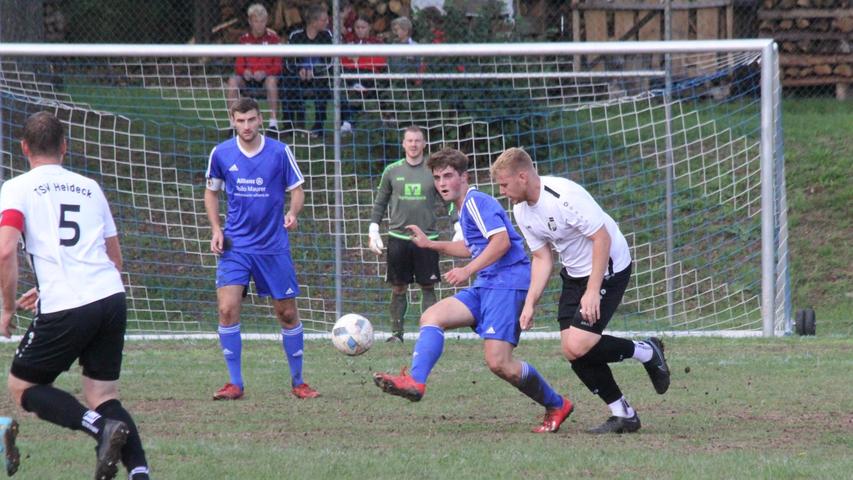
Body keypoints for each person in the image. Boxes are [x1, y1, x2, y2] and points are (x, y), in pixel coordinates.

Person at [373, 148, 574, 434]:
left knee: (499, 363)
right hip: (486, 283)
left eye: (448, 176)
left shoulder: (477, 201)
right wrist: (432, 245)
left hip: (507, 283)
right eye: (437, 177)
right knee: (432, 316)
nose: (442, 183)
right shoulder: (463, 207)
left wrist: (467, 270)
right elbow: (473, 246)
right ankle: (415, 382)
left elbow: (501, 242)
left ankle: (557, 404)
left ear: (463, 177)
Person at [0, 111, 150, 479]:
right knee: (103, 395)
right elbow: (113, 258)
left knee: (23, 387)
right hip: (110, 296)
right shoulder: (90, 187)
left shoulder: (17, 187)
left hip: (69, 302)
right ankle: (140, 474)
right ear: (65, 147)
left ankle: (100, 430)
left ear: (24, 148)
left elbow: (5, 251)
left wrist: (5, 308)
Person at [490, 147, 671, 434]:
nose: (502, 192)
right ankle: (623, 414)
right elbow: (542, 258)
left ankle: (646, 352)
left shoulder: (563, 197)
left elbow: (602, 238)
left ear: (522, 176)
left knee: (578, 344)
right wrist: (530, 302)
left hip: (608, 265)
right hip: (574, 273)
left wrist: (593, 289)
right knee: (573, 351)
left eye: (504, 184)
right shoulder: (521, 210)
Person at [204, 97, 319, 400]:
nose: (246, 126)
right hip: (236, 245)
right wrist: (216, 228)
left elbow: (297, 190)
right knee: (227, 310)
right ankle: (235, 383)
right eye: (240, 121)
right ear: (233, 121)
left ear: (259, 119)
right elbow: (211, 193)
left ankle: (298, 381)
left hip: (272, 246)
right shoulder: (221, 153)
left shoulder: (280, 152)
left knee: (287, 314)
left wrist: (293, 213)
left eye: (252, 120)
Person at [367, 126, 442, 342]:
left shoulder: (434, 170)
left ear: (424, 144)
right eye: (410, 140)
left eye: (418, 140)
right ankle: (396, 334)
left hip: (428, 239)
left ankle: (430, 333)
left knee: (427, 286)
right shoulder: (392, 170)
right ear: (403, 144)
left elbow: (449, 199)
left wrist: (458, 225)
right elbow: (380, 202)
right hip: (399, 238)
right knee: (399, 287)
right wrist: (374, 228)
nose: (414, 144)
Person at [281, 5, 346, 135]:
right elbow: (288, 60)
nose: (327, 22)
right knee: (287, 82)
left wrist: (315, 71)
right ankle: (289, 124)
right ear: (314, 21)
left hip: (320, 75)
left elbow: (331, 61)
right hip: (298, 75)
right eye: (324, 20)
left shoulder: (327, 35)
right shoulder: (296, 36)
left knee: (322, 85)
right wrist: (299, 70)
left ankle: (318, 125)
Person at [226, 3, 281, 131]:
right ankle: (232, 123)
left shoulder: (273, 39)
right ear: (250, 22)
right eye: (256, 21)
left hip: (266, 79)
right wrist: (245, 71)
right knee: (233, 80)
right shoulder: (244, 40)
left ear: (266, 21)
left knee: (272, 80)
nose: (259, 24)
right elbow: (238, 64)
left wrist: (265, 73)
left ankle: (273, 123)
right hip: (248, 79)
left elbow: (278, 65)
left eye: (262, 21)